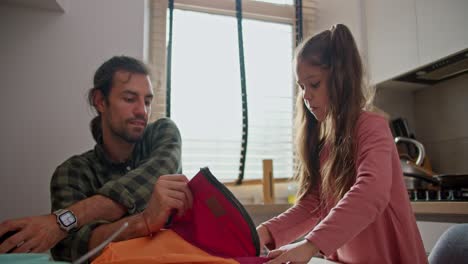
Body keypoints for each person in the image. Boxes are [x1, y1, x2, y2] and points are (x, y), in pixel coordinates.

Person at [256, 24, 428, 264]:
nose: (305, 95)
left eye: (313, 84)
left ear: (340, 79)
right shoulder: (326, 144)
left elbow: (371, 192)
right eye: (301, 87)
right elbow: (313, 205)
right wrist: (261, 234)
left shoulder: (372, 127)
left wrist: (310, 245)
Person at [0, 56, 193, 262]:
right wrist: (143, 222)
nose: (142, 111)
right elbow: (71, 247)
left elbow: (151, 176)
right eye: (129, 99)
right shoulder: (72, 172)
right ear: (100, 101)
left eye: (147, 101)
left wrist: (61, 222)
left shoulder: (163, 133)